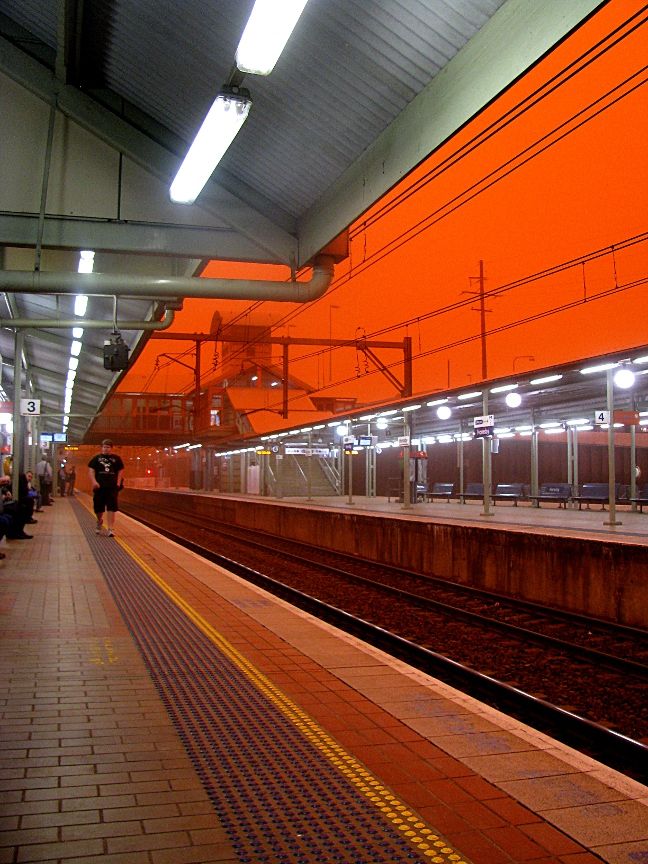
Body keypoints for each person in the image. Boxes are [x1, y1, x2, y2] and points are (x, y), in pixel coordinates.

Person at [88, 440, 124, 537]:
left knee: (111, 508)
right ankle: (99, 520)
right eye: (104, 447)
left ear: (111, 448)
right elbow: (91, 471)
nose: (106, 449)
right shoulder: (96, 459)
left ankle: (110, 528)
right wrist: (94, 482)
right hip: (99, 487)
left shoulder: (116, 459)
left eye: (108, 447)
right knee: (98, 509)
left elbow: (120, 471)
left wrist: (118, 483)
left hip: (112, 487)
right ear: (101, 448)